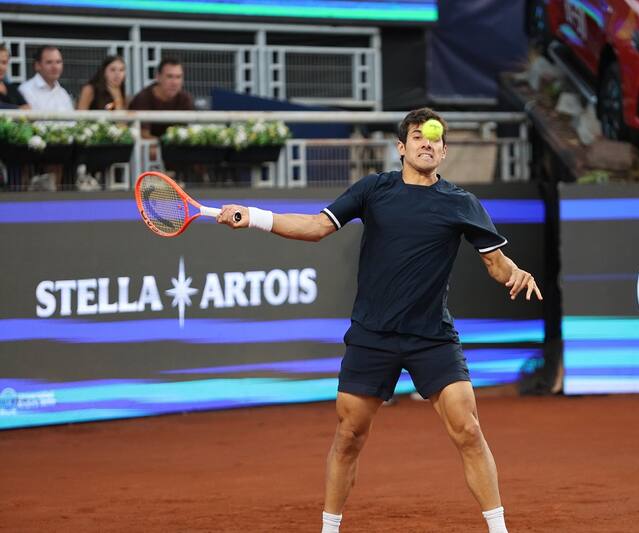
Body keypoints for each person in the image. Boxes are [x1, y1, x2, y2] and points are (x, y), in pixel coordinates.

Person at [216, 108, 541, 533]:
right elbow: (316, 227)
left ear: (443, 151)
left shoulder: (461, 202)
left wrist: (516, 272)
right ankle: (329, 529)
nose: (427, 144)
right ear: (401, 148)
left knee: (468, 429)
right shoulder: (374, 190)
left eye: (435, 139)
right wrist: (255, 217)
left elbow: (496, 264)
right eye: (418, 137)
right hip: (373, 336)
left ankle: (499, 530)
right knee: (349, 434)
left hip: (432, 337)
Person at [128, 57, 194, 138]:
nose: (175, 82)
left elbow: (187, 133)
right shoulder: (143, 98)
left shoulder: (185, 99)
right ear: (158, 77)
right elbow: (143, 135)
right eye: (169, 76)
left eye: (178, 77)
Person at [18, 46, 73, 111]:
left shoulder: (63, 93)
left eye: (58, 62)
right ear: (37, 65)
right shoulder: (25, 90)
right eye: (49, 62)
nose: (55, 67)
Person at [0, 43, 29, 109]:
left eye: (4, 62)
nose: (0, 67)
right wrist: (18, 108)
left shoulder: (11, 88)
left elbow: (27, 108)